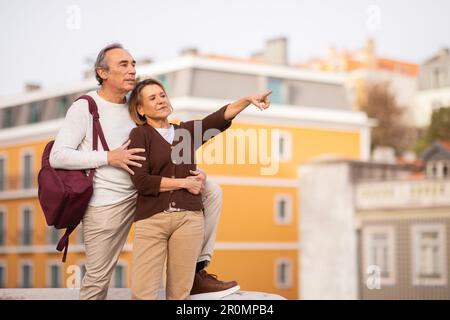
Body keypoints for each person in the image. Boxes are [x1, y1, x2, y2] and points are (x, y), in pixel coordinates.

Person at [49, 43, 242, 300]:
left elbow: (164, 146)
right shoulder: (86, 107)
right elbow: (58, 156)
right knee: (97, 279)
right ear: (102, 73)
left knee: (211, 191)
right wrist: (109, 157)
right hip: (108, 203)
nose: (132, 70)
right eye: (124, 65)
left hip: (146, 196)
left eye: (133, 64)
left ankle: (195, 272)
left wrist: (196, 174)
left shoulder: (136, 106)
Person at [127, 78, 271, 299]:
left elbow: (218, 119)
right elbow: (141, 181)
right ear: (140, 108)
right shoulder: (140, 135)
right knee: (142, 293)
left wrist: (247, 101)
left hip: (188, 220)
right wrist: (184, 183)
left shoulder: (185, 132)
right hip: (152, 220)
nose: (160, 101)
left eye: (162, 95)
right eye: (152, 98)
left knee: (180, 295)